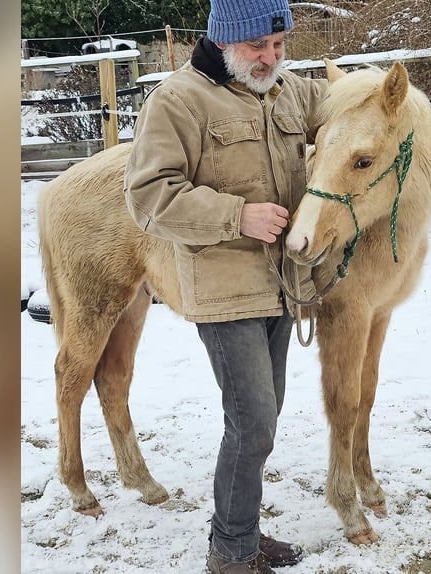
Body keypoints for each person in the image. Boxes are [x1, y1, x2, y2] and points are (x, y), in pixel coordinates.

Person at [124, 1, 326, 572]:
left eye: (280, 44)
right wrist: (237, 215)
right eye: (258, 46)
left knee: (263, 418)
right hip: (225, 287)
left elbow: (346, 107)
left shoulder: (288, 90)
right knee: (253, 421)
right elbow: (149, 196)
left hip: (284, 284)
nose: (272, 58)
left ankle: (240, 533)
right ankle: (232, 555)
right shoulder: (179, 100)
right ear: (224, 40)